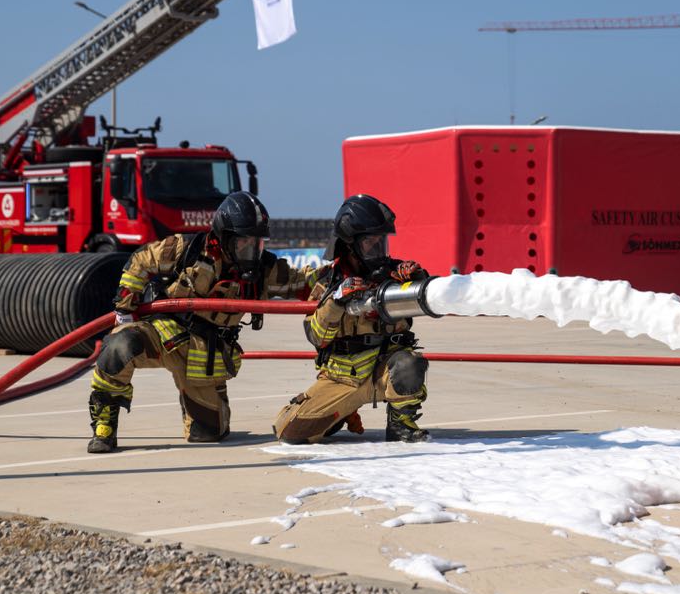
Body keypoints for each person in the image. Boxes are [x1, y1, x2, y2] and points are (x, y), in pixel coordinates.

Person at [87, 192, 310, 453]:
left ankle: (205, 407)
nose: (252, 250)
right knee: (120, 344)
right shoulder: (185, 250)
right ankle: (104, 426)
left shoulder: (264, 270)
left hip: (206, 357)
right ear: (224, 238)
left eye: (257, 243)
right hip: (165, 336)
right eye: (244, 242)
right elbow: (140, 261)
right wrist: (125, 308)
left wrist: (343, 276)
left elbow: (303, 281)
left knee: (208, 435)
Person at [273, 194, 432, 444]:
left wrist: (419, 276)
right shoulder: (327, 283)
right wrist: (337, 301)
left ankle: (402, 424)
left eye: (382, 242)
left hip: (384, 372)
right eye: (371, 243)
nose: (379, 250)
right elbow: (316, 336)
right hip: (342, 378)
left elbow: (427, 299)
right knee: (290, 432)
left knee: (409, 363)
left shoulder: (396, 275)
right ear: (350, 245)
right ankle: (340, 412)